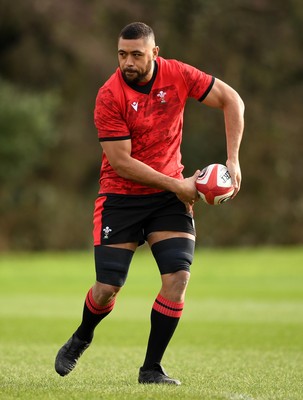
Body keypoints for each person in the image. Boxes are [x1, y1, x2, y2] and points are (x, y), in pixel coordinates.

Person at [55, 21, 244, 385]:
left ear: (154, 53)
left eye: (136, 55)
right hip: (120, 197)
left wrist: (233, 160)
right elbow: (121, 161)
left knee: (178, 278)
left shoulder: (177, 74)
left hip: (167, 199)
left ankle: (151, 369)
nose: (128, 62)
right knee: (107, 288)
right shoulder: (109, 95)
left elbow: (232, 100)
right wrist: (179, 184)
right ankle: (83, 335)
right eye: (122, 54)